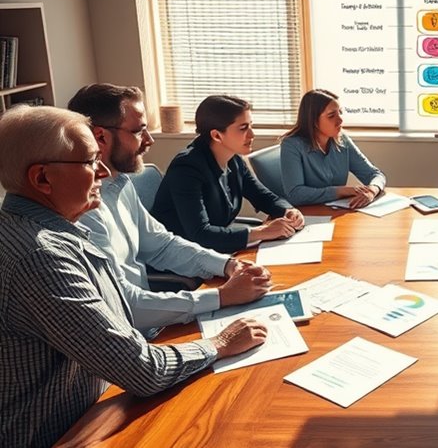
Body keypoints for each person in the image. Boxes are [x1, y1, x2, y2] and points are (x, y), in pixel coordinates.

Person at [0, 106, 267, 448]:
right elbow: (141, 370)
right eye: (89, 162)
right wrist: (220, 343)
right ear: (41, 179)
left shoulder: (55, 229)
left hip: (101, 400)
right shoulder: (39, 257)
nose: (102, 171)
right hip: (62, 432)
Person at [69, 84, 272, 332]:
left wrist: (227, 265)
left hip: (156, 325)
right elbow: (123, 304)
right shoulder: (82, 209)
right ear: (100, 137)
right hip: (134, 338)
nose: (149, 140)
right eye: (139, 131)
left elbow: (162, 245)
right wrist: (221, 297)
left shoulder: (121, 183)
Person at [151, 95, 304, 253]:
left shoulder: (234, 160)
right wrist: (262, 232)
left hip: (213, 251)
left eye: (251, 126)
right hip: (182, 256)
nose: (252, 134)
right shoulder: (186, 169)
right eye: (243, 128)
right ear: (217, 135)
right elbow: (200, 234)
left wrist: (289, 211)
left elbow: (263, 196)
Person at [280, 88, 386, 207]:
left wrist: (372, 190)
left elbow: (375, 174)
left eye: (340, 112)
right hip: (307, 216)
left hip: (336, 212)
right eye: (331, 116)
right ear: (313, 120)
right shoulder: (291, 145)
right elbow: (295, 195)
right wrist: (340, 191)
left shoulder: (342, 140)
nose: (340, 120)